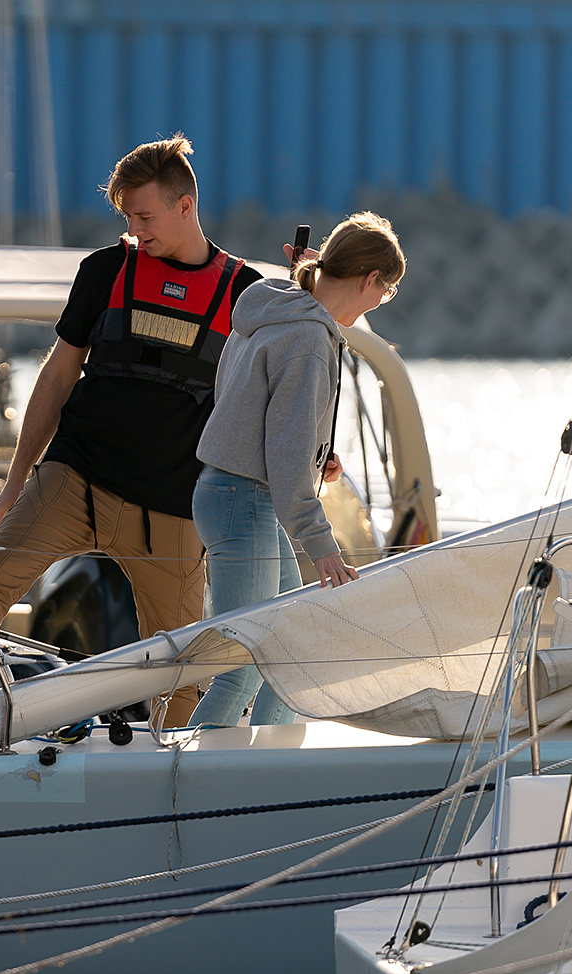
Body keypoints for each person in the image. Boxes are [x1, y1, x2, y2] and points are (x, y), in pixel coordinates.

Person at [0, 135, 263, 743]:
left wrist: (317, 457)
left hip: (173, 506)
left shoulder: (244, 293)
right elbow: (57, 376)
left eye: (144, 217)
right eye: (127, 218)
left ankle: (176, 762)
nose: (134, 230)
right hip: (76, 477)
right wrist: (16, 480)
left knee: (180, 660)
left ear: (185, 206)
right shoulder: (104, 270)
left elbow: (268, 396)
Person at [186, 211, 406, 728]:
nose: (381, 302)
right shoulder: (308, 340)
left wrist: (313, 456)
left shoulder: (274, 308)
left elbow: (245, 408)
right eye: (386, 292)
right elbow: (284, 456)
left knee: (289, 656)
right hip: (245, 499)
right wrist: (322, 545)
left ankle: (265, 764)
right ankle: (183, 773)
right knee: (243, 667)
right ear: (371, 279)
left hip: (234, 494)